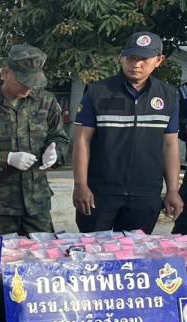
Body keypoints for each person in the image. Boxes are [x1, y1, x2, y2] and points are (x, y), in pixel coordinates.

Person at [74, 31, 182, 233]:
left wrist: (173, 190)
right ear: (121, 57)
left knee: (136, 251)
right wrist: (80, 185)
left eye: (144, 59)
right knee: (94, 250)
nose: (136, 64)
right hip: (100, 193)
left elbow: (170, 145)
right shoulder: (98, 92)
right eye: (131, 57)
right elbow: (82, 140)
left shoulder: (168, 96)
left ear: (159, 61)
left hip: (145, 194)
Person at [0, 44, 69, 236]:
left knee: (44, 252)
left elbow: (59, 136)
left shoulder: (46, 101)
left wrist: (55, 151)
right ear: (5, 73)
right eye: (23, 81)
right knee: (0, 253)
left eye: (33, 81)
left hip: (37, 203)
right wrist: (7, 158)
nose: (28, 87)